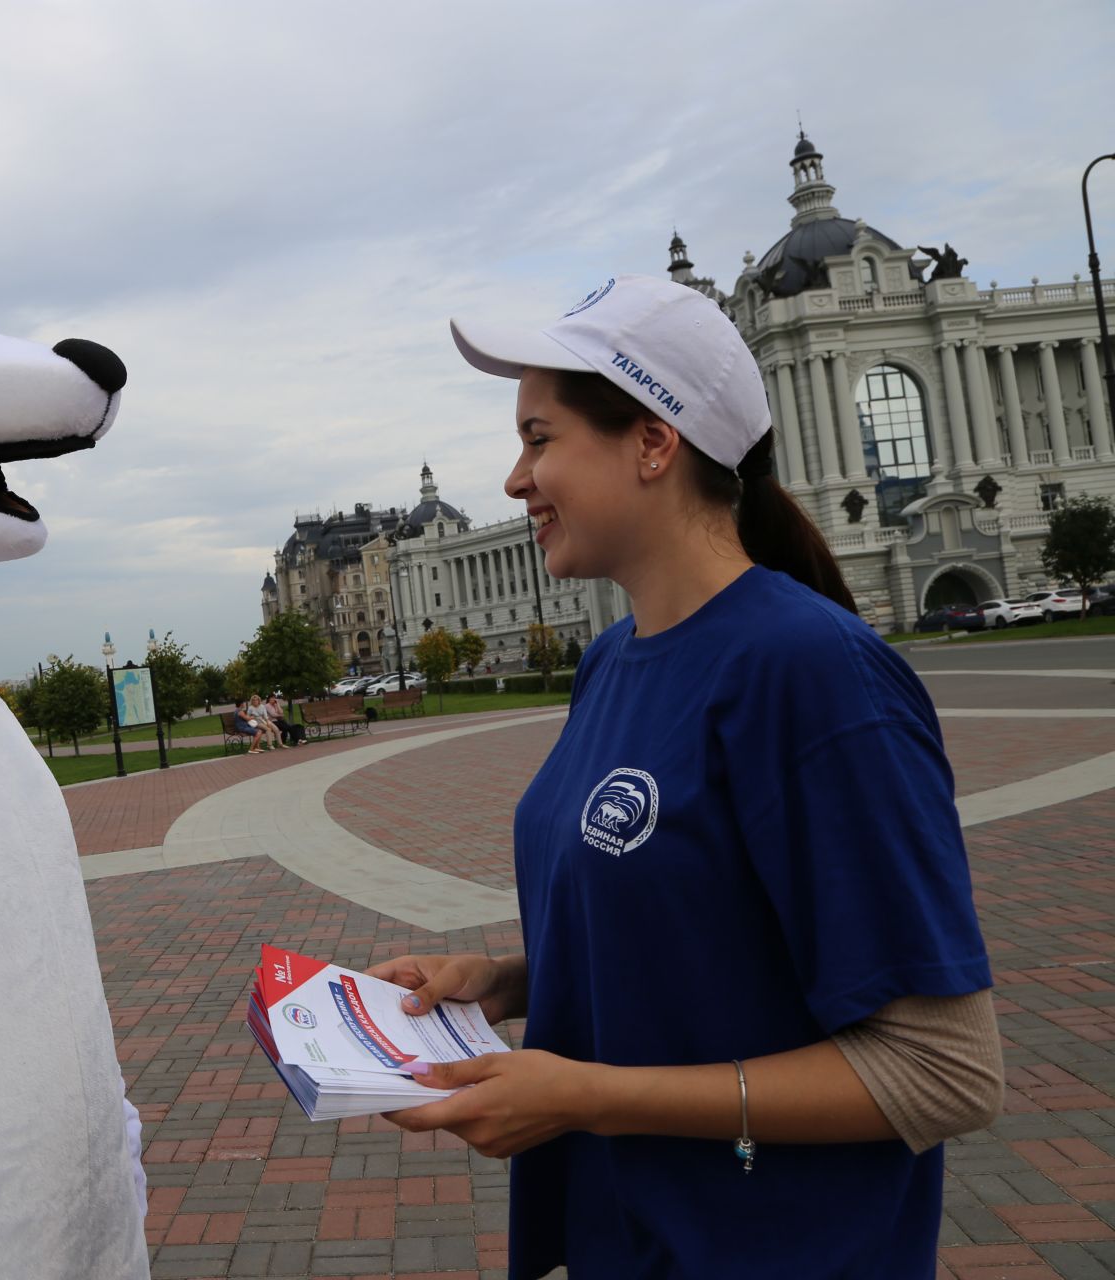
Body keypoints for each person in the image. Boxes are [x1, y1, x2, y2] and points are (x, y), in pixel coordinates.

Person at [368, 275, 1001, 1279]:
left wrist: (587, 1095)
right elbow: (709, 928)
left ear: (653, 443)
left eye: (539, 438)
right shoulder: (612, 661)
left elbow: (943, 1070)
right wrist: (500, 981)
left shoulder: (813, 672)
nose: (515, 479)